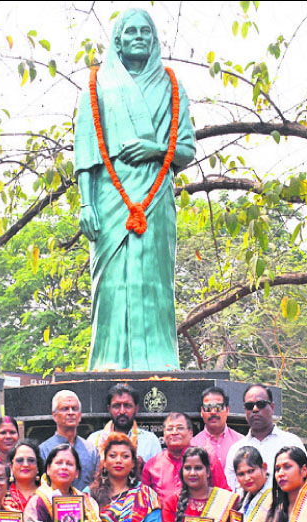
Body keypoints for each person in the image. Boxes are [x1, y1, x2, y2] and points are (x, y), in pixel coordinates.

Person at [73, 6, 196, 371]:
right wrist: (86, 204)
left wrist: (155, 149)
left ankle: (160, 361)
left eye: (146, 31)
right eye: (131, 32)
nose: (139, 37)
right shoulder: (97, 83)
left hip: (156, 195)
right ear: (118, 40)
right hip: (109, 194)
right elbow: (85, 149)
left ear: (154, 40)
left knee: (155, 282)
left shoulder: (172, 85)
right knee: (110, 281)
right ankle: (108, 361)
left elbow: (185, 150)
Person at [223, 384, 303, 492]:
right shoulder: (236, 450)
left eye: (261, 404)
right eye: (250, 406)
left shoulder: (291, 443)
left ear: (272, 407)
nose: (255, 409)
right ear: (245, 410)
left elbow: (304, 485)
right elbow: (231, 491)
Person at [142, 411, 229, 507]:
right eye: (170, 429)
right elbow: (143, 501)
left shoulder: (208, 459)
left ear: (190, 433)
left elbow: (224, 496)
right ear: (164, 433)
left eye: (180, 428)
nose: (174, 433)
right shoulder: (152, 465)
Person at [40, 390, 100, 491]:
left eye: (74, 409)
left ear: (80, 415)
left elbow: (97, 484)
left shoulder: (91, 451)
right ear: (54, 415)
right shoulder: (43, 450)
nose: (71, 413)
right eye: (65, 409)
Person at [88, 382, 162, 464]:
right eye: (117, 406)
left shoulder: (150, 441)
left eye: (127, 406)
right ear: (109, 409)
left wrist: (142, 467)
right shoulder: (94, 440)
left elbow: (158, 471)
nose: (122, 411)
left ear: (136, 409)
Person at [193, 386, 245, 475]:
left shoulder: (241, 442)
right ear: (202, 411)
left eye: (218, 407)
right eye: (208, 408)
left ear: (227, 410)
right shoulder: (193, 445)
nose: (213, 412)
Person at [7, 439, 45, 511]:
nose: (25, 464)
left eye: (31, 460)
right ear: (11, 466)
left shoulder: (47, 494)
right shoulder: (2, 495)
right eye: (19, 460)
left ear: (38, 466)